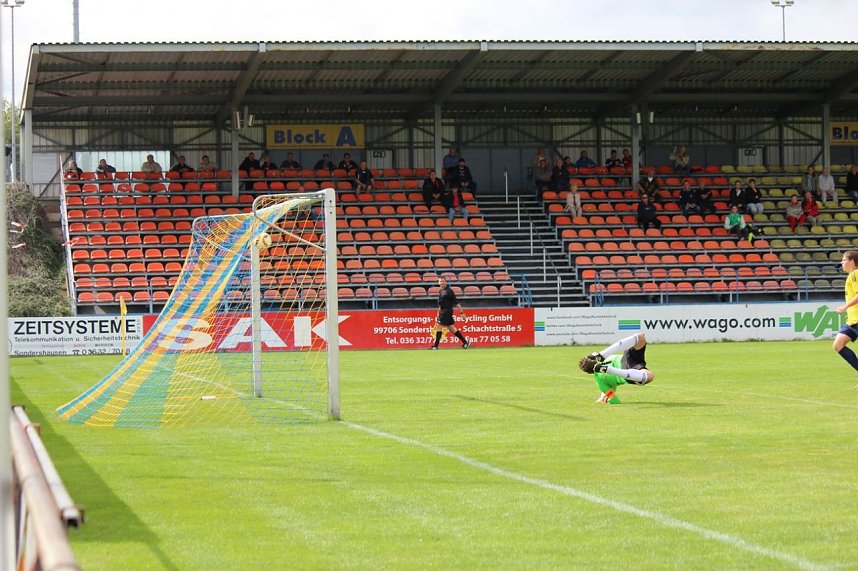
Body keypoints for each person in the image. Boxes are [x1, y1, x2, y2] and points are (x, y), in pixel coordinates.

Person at [578, 333, 654, 404]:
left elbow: (615, 400)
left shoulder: (600, 382)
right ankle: (602, 355)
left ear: (589, 372)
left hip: (629, 374)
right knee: (640, 337)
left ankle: (609, 370)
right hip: (627, 358)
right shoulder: (606, 359)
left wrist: (607, 397)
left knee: (649, 376)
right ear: (594, 360)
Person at [834, 250, 858, 379]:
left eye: (844, 260)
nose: (841, 262)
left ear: (852, 262)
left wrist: (845, 306)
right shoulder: (852, 275)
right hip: (853, 320)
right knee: (838, 345)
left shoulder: (855, 274)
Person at [430, 277, 470, 350]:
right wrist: (438, 312)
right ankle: (465, 342)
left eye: (443, 281)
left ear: (446, 282)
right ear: (438, 283)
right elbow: (440, 304)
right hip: (442, 311)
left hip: (447, 311)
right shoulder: (441, 291)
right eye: (440, 281)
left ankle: (435, 346)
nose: (442, 283)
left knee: (439, 326)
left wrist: (461, 312)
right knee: (451, 328)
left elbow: (456, 302)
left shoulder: (449, 291)